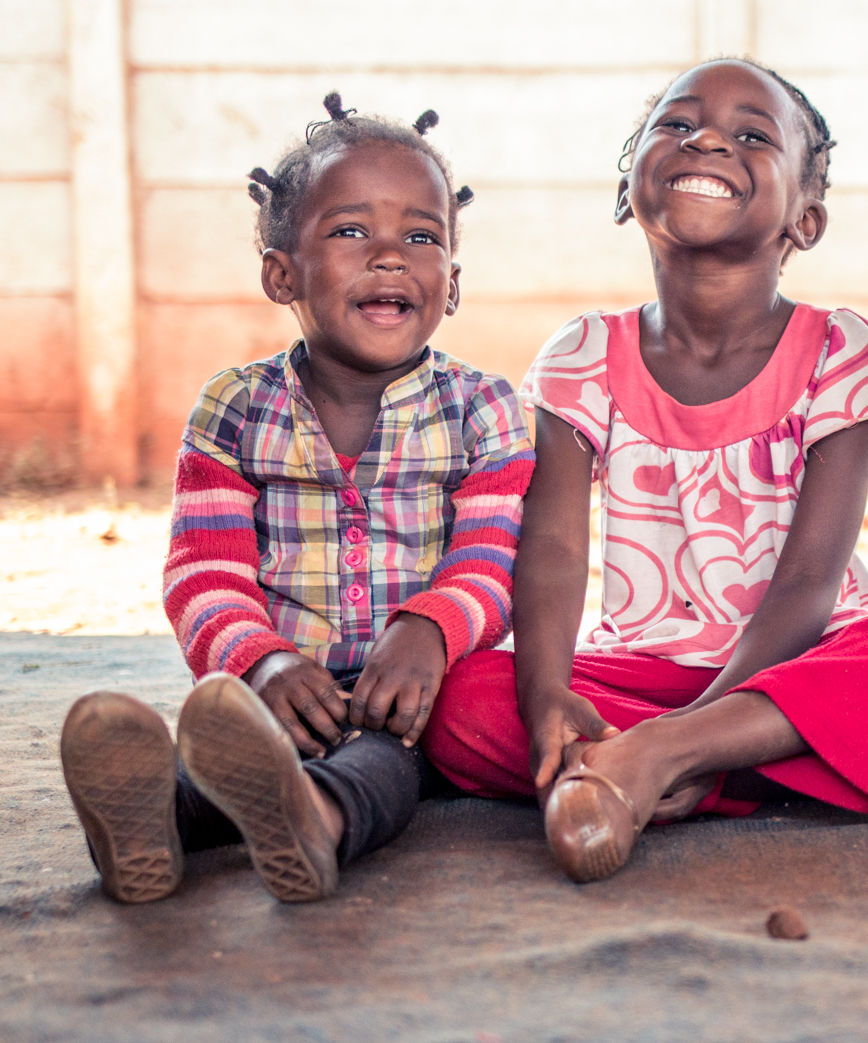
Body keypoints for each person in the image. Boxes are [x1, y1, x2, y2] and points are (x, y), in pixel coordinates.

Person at [420, 59, 868, 882]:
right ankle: (850, 754)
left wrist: (696, 727)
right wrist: (543, 696)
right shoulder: (580, 355)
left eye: (753, 135)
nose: (707, 137)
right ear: (626, 188)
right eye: (676, 126)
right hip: (643, 670)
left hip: (807, 654)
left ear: (805, 221)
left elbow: (810, 577)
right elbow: (558, 552)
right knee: (461, 705)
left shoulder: (839, 351)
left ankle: (656, 762)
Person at [58, 94, 535, 903]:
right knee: (232, 757)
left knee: (382, 766)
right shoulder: (234, 410)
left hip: (414, 704)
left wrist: (430, 627)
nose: (390, 257)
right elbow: (202, 576)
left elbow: (491, 563)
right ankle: (151, 822)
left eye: (421, 237)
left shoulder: (483, 410)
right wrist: (261, 660)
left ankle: (314, 819)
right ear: (283, 272)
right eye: (351, 231)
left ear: (450, 283)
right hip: (277, 695)